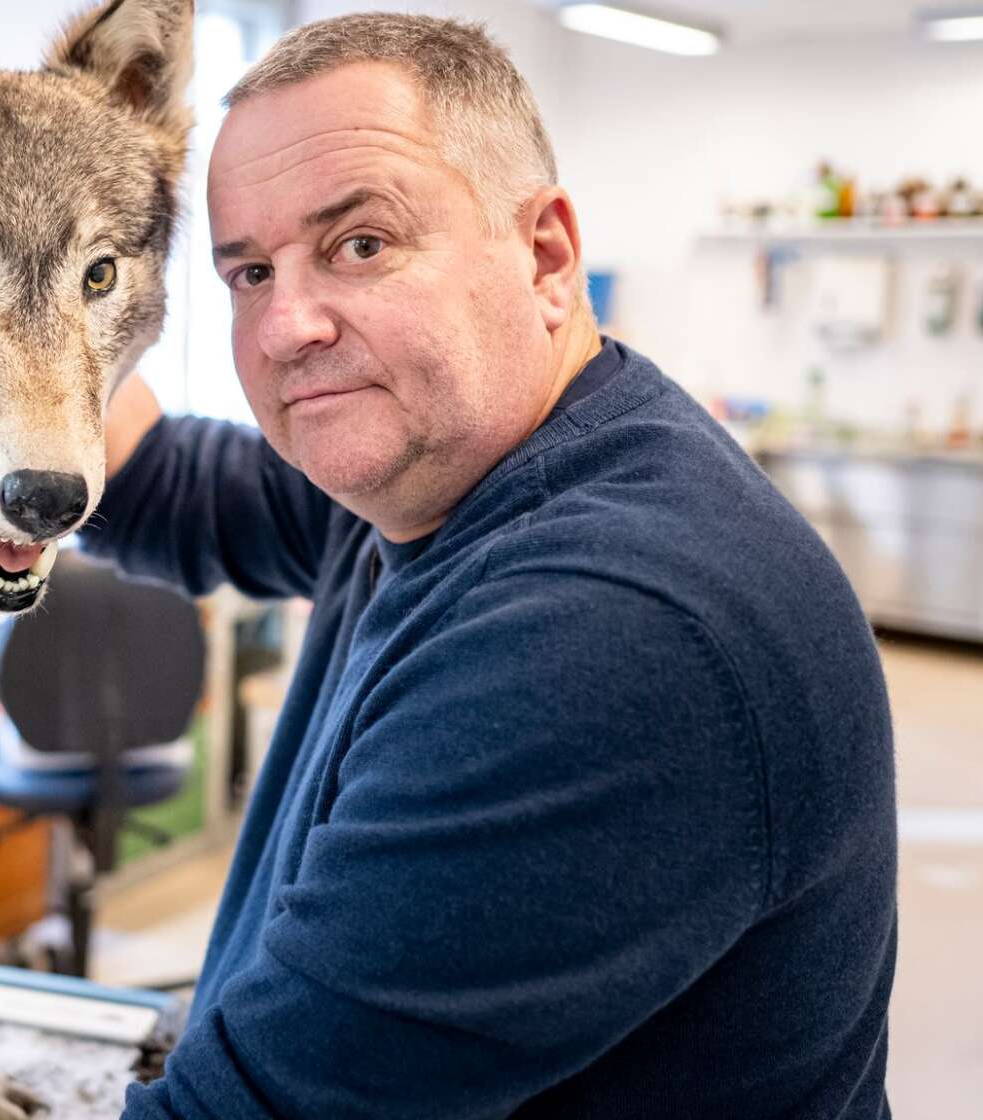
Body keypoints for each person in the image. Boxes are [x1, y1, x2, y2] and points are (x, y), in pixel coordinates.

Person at [87, 14, 896, 1118]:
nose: (287, 327)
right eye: (249, 271)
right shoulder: (422, 462)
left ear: (546, 257)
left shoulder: (606, 633)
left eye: (358, 244)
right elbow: (152, 478)